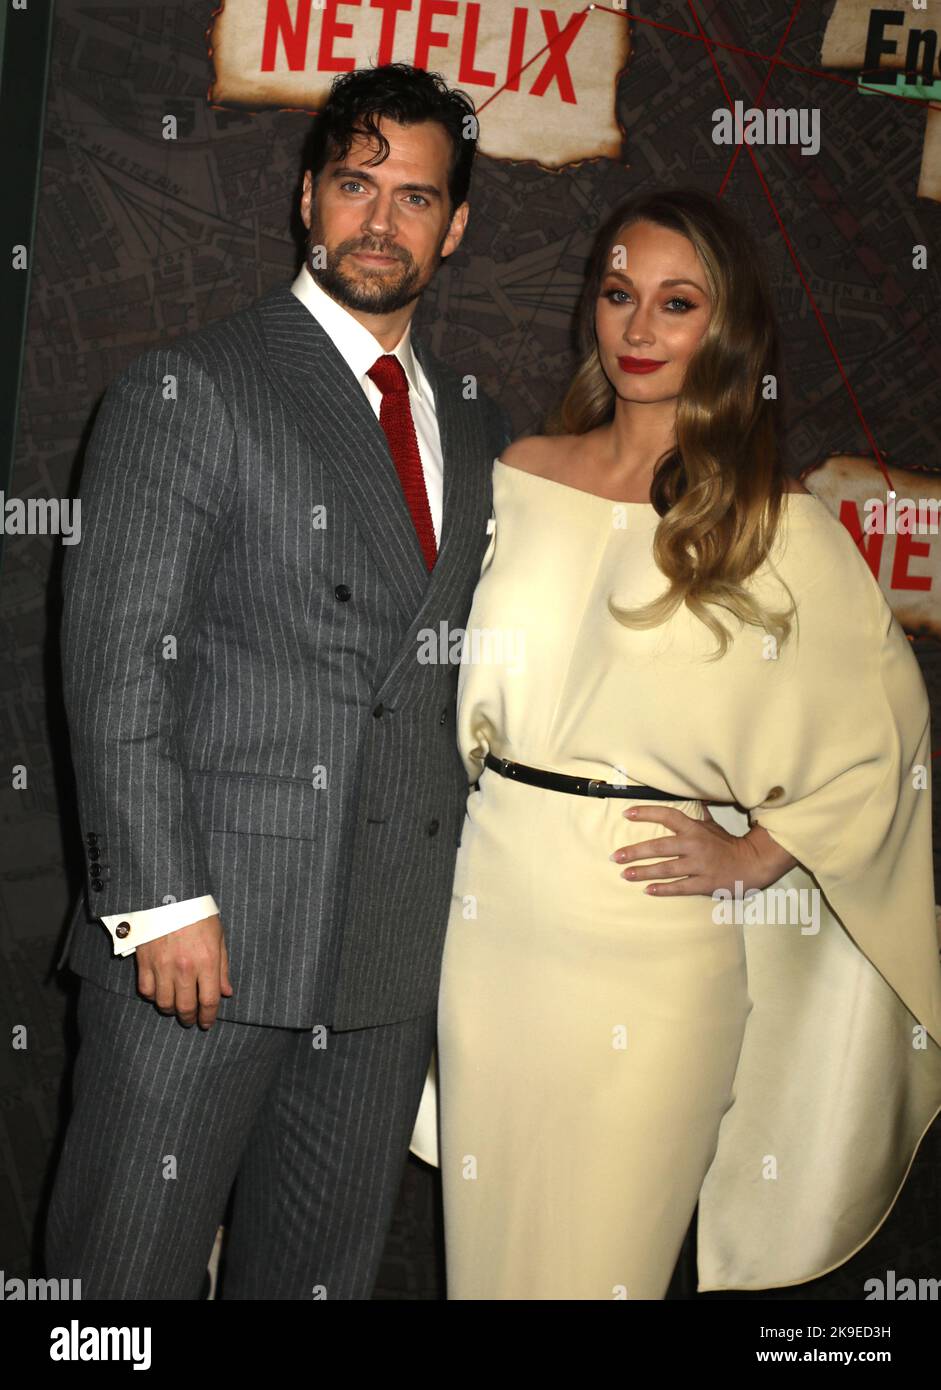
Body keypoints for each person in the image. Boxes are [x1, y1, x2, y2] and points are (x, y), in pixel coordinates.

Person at [412, 188, 941, 1298]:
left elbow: (883, 734)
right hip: (491, 928)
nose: (638, 328)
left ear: (725, 328)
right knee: (485, 1268)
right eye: (617, 295)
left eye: (675, 302)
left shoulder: (768, 523)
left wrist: (757, 851)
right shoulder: (515, 474)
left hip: (649, 958)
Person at [45, 63, 510, 1300]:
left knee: (316, 1280)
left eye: (414, 198)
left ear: (453, 227)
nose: (378, 220)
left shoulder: (468, 421)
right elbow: (116, 662)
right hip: (208, 941)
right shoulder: (188, 382)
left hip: (380, 956)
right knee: (121, 1284)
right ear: (308, 197)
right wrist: (156, 902)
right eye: (355, 185)